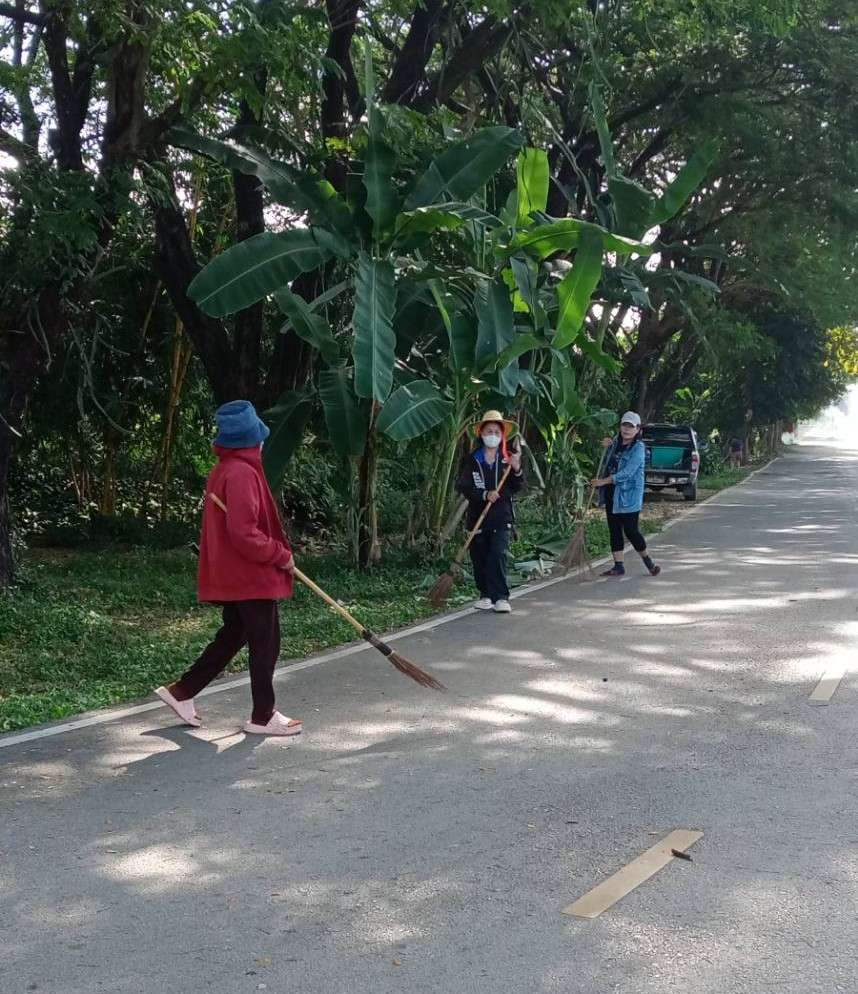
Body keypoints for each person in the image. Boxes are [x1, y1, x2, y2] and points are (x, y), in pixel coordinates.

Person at [153, 400, 302, 736]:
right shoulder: (242, 473)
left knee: (235, 633)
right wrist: (280, 555)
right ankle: (263, 717)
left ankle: (182, 691)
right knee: (266, 644)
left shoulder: (226, 469)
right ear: (253, 440)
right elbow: (244, 532)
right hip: (250, 575)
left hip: (236, 574)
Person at [456, 409, 526, 613]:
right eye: (489, 431)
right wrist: (485, 494)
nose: (492, 435)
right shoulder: (473, 459)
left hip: (501, 516)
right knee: (479, 556)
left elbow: (519, 485)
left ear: (502, 435)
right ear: (481, 433)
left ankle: (501, 597)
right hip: (478, 516)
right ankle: (485, 594)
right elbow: (465, 487)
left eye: (497, 432)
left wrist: (517, 469)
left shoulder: (508, 458)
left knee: (498, 554)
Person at [590, 411, 661, 579]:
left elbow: (627, 472)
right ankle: (618, 565)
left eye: (631, 427)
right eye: (625, 425)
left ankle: (649, 563)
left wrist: (603, 481)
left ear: (638, 430)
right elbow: (608, 463)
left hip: (629, 496)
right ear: (620, 426)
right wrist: (606, 447)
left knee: (631, 531)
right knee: (614, 529)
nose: (627, 430)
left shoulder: (638, 449)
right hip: (611, 493)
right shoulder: (615, 443)